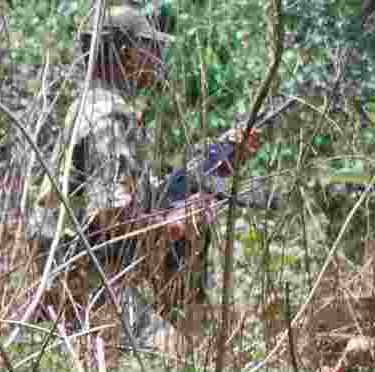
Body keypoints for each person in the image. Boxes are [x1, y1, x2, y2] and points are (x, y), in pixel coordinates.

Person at [31, 5, 260, 343]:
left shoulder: (93, 104)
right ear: (127, 56)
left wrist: (217, 161)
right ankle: (185, 335)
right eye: (150, 48)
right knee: (174, 352)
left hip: (73, 266)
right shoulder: (109, 115)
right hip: (82, 276)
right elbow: (111, 216)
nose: (157, 57)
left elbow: (138, 196)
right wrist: (176, 221)